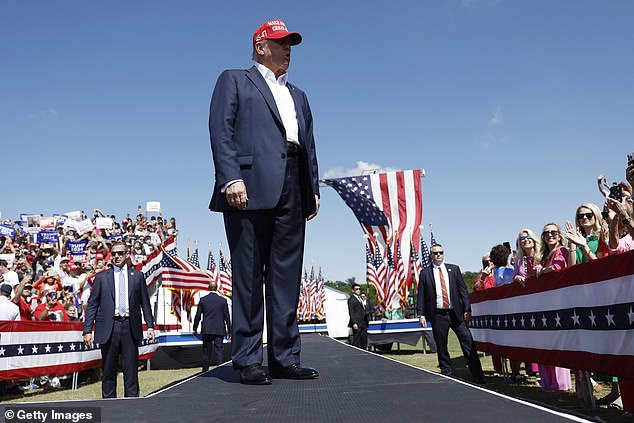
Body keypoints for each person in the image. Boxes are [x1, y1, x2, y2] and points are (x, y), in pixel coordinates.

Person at [208, 19, 320, 385]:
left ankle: (285, 358)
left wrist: (312, 187)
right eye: (281, 43)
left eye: (290, 44)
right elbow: (221, 129)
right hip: (249, 185)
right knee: (248, 276)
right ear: (260, 46)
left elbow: (309, 144)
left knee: (286, 278)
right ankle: (248, 360)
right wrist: (230, 177)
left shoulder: (298, 95)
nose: (288, 49)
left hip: (293, 185)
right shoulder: (234, 79)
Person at [82, 241, 155, 398]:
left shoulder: (137, 276)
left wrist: (150, 326)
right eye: (114, 253)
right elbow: (92, 305)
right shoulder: (101, 277)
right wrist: (87, 330)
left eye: (120, 253)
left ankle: (132, 404)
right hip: (109, 327)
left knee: (131, 370)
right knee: (108, 370)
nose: (116, 256)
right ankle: (109, 405)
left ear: (127, 254)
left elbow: (145, 304)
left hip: (130, 327)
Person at [417, 244, 484, 383]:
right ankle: (447, 372)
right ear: (431, 255)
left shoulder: (454, 269)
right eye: (435, 253)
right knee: (441, 345)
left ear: (444, 253)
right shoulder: (425, 273)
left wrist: (467, 309)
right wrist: (421, 314)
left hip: (456, 314)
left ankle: (478, 374)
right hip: (438, 315)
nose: (438, 255)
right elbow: (421, 295)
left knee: (468, 341)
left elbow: (463, 290)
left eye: (440, 252)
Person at [535, 223, 572, 392]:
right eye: (546, 233)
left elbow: (558, 267)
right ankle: (548, 382)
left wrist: (543, 271)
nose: (550, 235)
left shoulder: (562, 250)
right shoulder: (542, 255)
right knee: (546, 342)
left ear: (559, 235)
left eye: (553, 232)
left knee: (557, 343)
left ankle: (560, 384)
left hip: (558, 302)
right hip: (545, 303)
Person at [193, 281, 232, 372]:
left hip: (207, 329)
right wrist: (230, 330)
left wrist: (195, 328)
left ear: (208, 288)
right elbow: (227, 316)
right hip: (219, 329)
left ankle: (205, 370)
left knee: (206, 351)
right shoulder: (223, 300)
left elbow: (198, 316)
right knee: (219, 350)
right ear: (217, 287)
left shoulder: (203, 300)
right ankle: (220, 369)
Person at [347, 284, 368, 349]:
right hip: (357, 323)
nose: (358, 290)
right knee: (357, 341)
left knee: (364, 340)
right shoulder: (351, 299)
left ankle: (365, 353)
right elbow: (351, 312)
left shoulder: (360, 299)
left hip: (363, 323)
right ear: (353, 290)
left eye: (359, 289)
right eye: (356, 289)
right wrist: (354, 323)